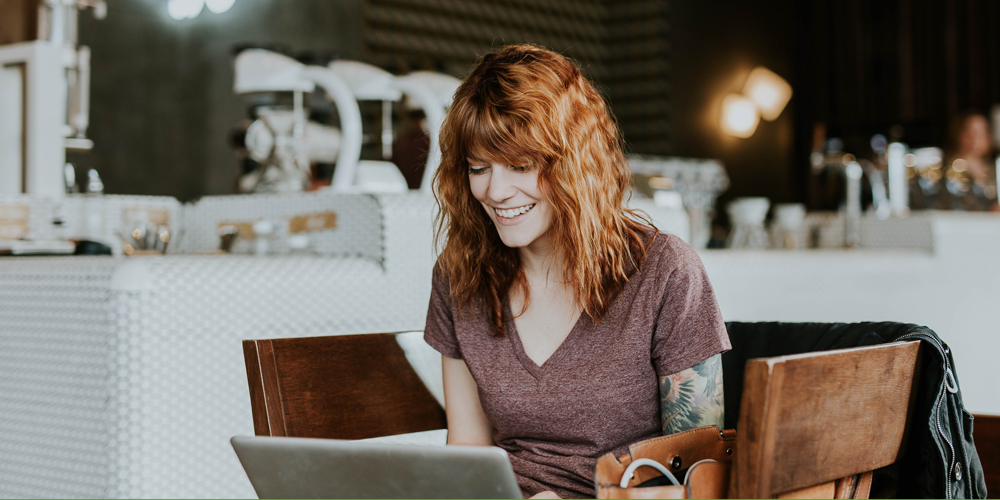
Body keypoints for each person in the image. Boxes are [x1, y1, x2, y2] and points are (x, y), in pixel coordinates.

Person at [423, 44, 731, 499]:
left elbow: (702, 479)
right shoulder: (459, 276)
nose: (496, 191)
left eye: (521, 165)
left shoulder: (665, 272)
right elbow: (467, 452)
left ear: (574, 164)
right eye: (478, 168)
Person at [945, 110, 999, 211]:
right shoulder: (947, 169)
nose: (975, 138)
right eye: (969, 132)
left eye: (980, 133)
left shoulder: (995, 169)